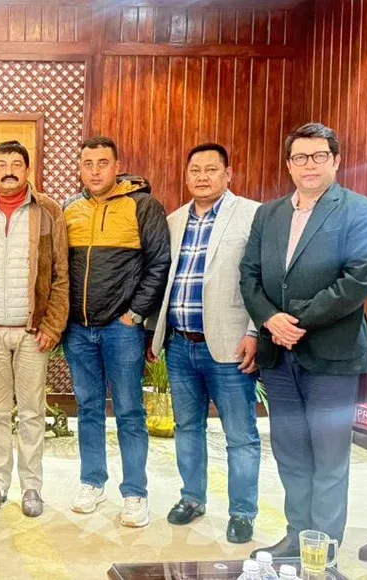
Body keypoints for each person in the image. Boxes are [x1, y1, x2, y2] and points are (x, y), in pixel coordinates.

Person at [241, 122, 367, 557]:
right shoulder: (268, 214)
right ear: (288, 164)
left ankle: (323, 547)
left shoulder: (360, 211)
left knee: (328, 455)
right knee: (290, 451)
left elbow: (356, 282)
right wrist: (269, 319)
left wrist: (293, 322)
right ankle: (297, 534)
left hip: (332, 355)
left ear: (336, 161)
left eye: (319, 156)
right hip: (278, 356)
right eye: (300, 157)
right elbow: (249, 276)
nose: (310, 165)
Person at [147, 143, 262, 544]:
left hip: (231, 347)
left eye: (211, 169)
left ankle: (242, 512)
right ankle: (192, 498)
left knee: (240, 435)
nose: (202, 176)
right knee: (187, 428)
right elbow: (164, 279)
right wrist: (155, 334)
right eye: (194, 169)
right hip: (181, 344)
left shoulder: (252, 215)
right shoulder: (174, 220)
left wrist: (254, 332)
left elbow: (263, 280)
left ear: (228, 174)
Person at [64, 136, 170, 528]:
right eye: (87, 163)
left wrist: (135, 313)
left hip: (121, 329)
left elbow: (159, 263)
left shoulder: (142, 205)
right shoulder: (69, 208)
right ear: (80, 168)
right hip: (78, 330)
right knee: (88, 408)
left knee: (129, 410)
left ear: (117, 166)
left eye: (102, 163)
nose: (94, 171)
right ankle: (92, 482)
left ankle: (135, 493)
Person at [0, 140, 69, 518]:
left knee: (32, 412)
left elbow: (61, 274)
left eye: (16, 164)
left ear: (27, 169)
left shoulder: (49, 211)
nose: (9, 170)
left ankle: (32, 487)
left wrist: (52, 324)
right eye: (2, 164)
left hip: (32, 330)